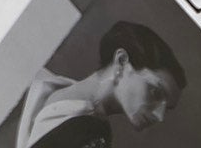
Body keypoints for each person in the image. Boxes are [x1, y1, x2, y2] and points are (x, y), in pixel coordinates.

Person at [15, 19, 186, 146]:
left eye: (166, 109)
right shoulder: (93, 134)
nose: (159, 116)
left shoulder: (50, 93)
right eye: (156, 92)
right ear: (121, 61)